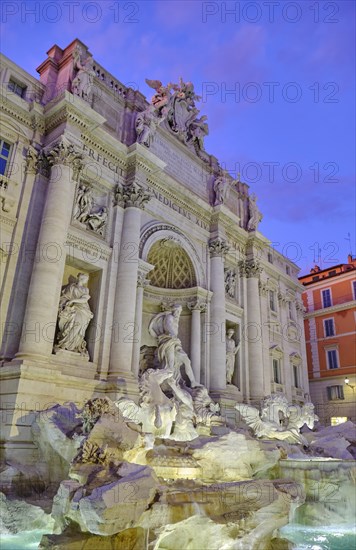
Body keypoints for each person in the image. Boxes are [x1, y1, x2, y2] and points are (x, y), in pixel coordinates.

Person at [149, 305, 199, 389]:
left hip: (175, 343)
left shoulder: (175, 319)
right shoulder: (169, 317)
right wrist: (172, 337)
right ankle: (166, 385)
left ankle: (193, 381)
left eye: (179, 311)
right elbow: (169, 329)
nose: (178, 313)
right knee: (170, 366)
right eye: (177, 311)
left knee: (186, 360)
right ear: (174, 310)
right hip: (168, 342)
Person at [55, 273, 93, 357]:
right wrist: (65, 304)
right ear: (82, 279)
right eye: (86, 279)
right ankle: (65, 344)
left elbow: (84, 299)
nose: (86, 281)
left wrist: (73, 301)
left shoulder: (85, 289)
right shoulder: (71, 287)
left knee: (80, 326)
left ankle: (75, 346)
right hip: (73, 309)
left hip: (83, 310)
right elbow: (64, 297)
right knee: (75, 324)